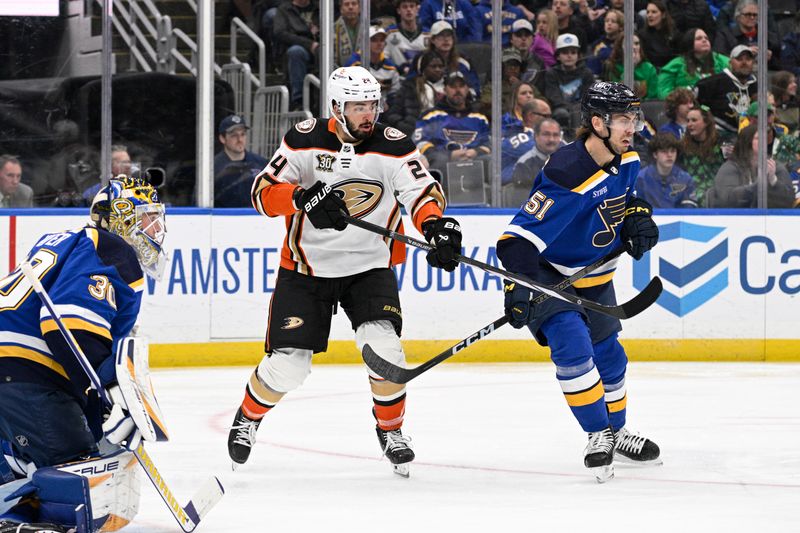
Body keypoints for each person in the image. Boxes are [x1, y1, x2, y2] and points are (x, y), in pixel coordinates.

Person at [227, 66, 462, 478]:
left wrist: (436, 226)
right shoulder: (303, 139)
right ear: (336, 107)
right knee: (288, 366)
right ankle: (248, 417)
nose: (367, 113)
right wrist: (300, 197)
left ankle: (391, 431)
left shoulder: (393, 145)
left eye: (372, 104)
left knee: (384, 350)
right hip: (306, 268)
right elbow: (261, 194)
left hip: (369, 267)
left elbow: (421, 191)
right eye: (357, 106)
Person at [496, 81, 661, 483]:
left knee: (611, 357)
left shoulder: (628, 157)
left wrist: (637, 214)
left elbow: (624, 197)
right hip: (547, 275)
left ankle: (617, 432)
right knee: (572, 345)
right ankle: (597, 434)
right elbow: (514, 242)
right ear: (596, 122)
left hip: (594, 273)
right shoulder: (568, 171)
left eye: (633, 117)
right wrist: (518, 284)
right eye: (623, 118)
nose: (632, 127)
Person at [0, 177, 167, 531]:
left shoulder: (70, 242)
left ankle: (10, 510)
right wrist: (109, 387)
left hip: (12, 367)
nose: (156, 229)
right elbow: (69, 326)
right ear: (119, 219)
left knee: (24, 458)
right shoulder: (111, 248)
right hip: (24, 369)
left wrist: (98, 405)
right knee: (81, 473)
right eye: (147, 218)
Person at [414, 71, 491, 177]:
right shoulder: (431, 116)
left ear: (467, 89)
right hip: (443, 162)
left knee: (491, 161)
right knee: (439, 160)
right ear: (445, 89)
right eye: (453, 86)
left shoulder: (480, 118)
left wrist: (475, 152)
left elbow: (489, 143)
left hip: (474, 160)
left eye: (461, 86)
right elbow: (420, 142)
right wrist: (449, 155)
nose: (458, 90)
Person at [709, 124, 795, 208]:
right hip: (737, 219)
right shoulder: (730, 167)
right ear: (747, 141)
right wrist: (756, 186)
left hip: (770, 219)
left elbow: (789, 201)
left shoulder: (775, 166)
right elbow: (726, 200)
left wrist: (774, 181)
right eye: (758, 138)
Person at [695, 45, 757, 134]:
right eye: (739, 59)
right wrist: (707, 118)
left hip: (746, 136)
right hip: (719, 134)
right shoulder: (713, 82)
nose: (744, 62)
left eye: (748, 59)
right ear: (730, 63)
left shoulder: (755, 85)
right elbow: (695, 103)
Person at [541, 33, 596, 135]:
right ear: (558, 56)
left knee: (582, 113)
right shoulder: (552, 73)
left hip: (580, 109)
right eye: (565, 52)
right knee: (561, 113)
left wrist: (576, 109)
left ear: (578, 55)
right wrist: (570, 108)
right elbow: (553, 96)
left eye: (573, 52)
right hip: (560, 110)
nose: (569, 55)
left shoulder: (586, 73)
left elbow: (588, 97)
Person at [503, 116, 563, 206]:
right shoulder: (524, 164)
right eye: (546, 134)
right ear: (536, 136)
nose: (551, 139)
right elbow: (525, 202)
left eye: (555, 135)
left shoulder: (569, 160)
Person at [656, 27, 729, 100]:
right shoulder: (676, 65)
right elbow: (663, 92)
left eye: (706, 38)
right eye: (699, 38)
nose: (704, 40)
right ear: (689, 43)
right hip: (687, 105)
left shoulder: (720, 60)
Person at [384, 50, 445, 135]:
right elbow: (393, 114)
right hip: (415, 133)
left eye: (440, 66)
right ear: (422, 69)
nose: (438, 69)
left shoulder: (450, 86)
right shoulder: (409, 87)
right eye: (433, 66)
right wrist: (407, 128)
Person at [274, 0, 320, 110]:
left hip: (319, 47)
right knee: (296, 52)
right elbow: (280, 33)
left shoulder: (318, 8)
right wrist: (308, 44)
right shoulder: (284, 9)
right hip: (297, 47)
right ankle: (298, 100)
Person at [214, 114, 268, 207]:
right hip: (223, 219)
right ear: (222, 138)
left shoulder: (260, 163)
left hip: (256, 219)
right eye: (234, 135)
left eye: (242, 134)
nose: (240, 139)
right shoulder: (213, 167)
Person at [678, 105, 726, 206]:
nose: (689, 124)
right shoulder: (682, 147)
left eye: (694, 120)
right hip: (691, 195)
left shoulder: (722, 143)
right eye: (688, 121)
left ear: (706, 122)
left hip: (719, 194)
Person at [713, 0, 780, 71]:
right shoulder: (725, 35)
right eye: (748, 14)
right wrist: (743, 53)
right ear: (738, 16)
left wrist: (770, 59)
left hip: (765, 75)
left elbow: (781, 64)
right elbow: (719, 60)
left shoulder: (768, 36)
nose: (752, 17)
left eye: (755, 15)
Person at [635, 132, 697, 208]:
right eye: (664, 151)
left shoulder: (685, 179)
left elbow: (689, 211)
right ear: (655, 154)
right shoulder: (641, 179)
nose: (669, 155)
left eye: (673, 151)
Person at [344, 26, 402, 102]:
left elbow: (395, 93)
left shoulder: (390, 67)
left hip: (384, 110)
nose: (379, 44)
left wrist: (389, 104)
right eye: (374, 40)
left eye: (382, 40)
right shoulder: (353, 65)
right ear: (364, 42)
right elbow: (346, 92)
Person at [603, 33, 658, 100]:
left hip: (645, 107)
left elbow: (653, 96)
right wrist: (630, 66)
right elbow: (617, 94)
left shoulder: (649, 68)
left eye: (637, 43)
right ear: (620, 47)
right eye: (629, 43)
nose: (634, 47)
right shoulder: (612, 66)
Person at [385, 0, 428, 76]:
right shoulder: (389, 33)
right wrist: (399, 68)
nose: (409, 10)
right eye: (405, 7)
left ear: (417, 9)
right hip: (397, 80)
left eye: (412, 6)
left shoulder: (428, 35)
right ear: (398, 10)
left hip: (422, 80)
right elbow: (383, 58)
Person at [639, 0, 676, 70]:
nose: (649, 15)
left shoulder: (674, 34)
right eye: (648, 12)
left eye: (654, 12)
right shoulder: (642, 35)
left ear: (663, 15)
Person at [333, 0, 363, 68]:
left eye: (354, 4)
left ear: (359, 8)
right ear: (341, 9)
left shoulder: (368, 29)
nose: (350, 7)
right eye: (346, 4)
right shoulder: (332, 30)